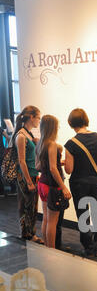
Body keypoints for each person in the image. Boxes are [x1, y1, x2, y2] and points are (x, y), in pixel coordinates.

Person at [64, 108, 97, 257]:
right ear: (86, 120)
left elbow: (69, 170)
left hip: (79, 184)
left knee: (83, 215)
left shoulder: (71, 144)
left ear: (71, 123)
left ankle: (88, 248)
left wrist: (65, 162)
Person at [35, 115, 71, 249]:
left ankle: (47, 248)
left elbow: (38, 166)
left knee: (46, 218)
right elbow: (52, 168)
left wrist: (56, 163)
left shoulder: (40, 144)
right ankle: (52, 251)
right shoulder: (52, 144)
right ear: (53, 128)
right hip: (52, 186)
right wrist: (64, 187)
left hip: (42, 184)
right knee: (52, 221)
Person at [13, 106, 43, 242]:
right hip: (26, 176)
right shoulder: (21, 135)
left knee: (31, 206)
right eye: (38, 118)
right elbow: (22, 161)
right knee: (26, 206)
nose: (39, 121)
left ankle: (30, 234)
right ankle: (27, 234)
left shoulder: (28, 134)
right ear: (31, 117)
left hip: (32, 174)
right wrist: (29, 181)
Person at [0, 126, 9, 197]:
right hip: (2, 152)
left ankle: (2, 191)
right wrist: (5, 146)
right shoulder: (0, 128)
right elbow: (7, 137)